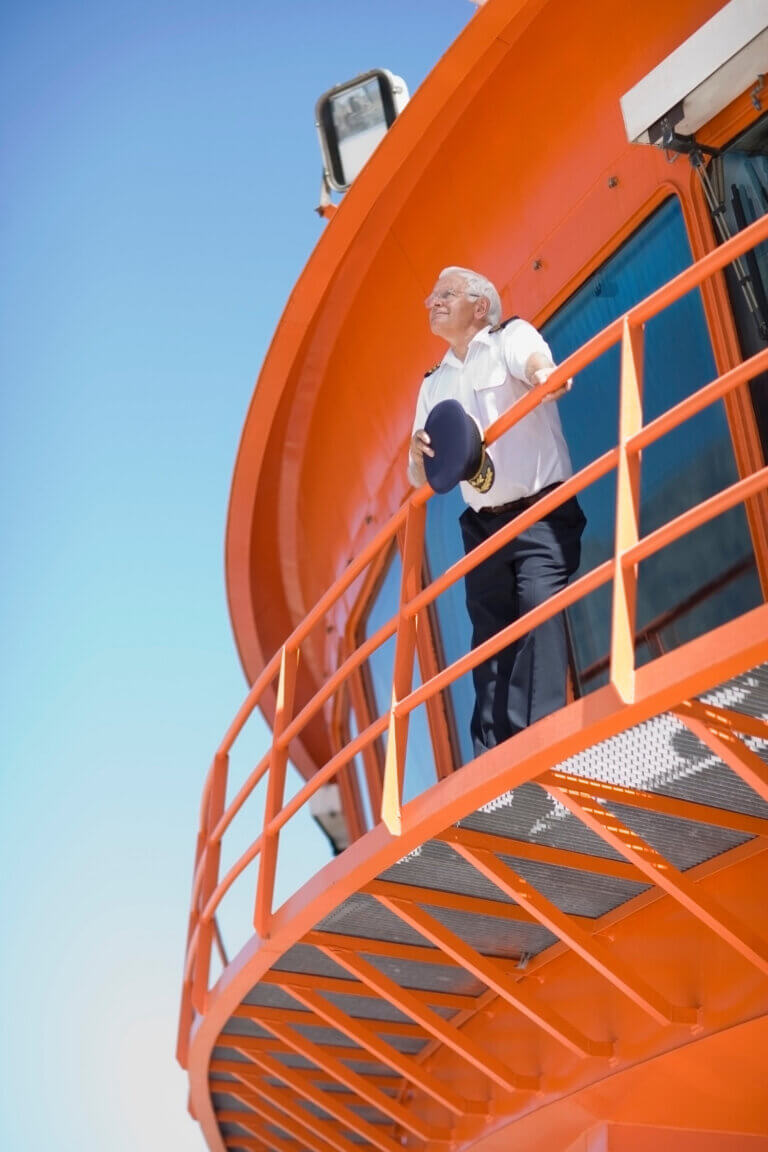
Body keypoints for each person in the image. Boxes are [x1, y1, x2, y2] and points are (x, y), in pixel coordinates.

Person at [409, 266, 586, 756]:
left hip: (540, 510)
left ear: (479, 306)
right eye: (432, 296)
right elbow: (418, 476)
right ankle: (492, 758)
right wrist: (415, 452)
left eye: (446, 294)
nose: (433, 302)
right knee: (488, 637)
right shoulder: (433, 384)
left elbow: (535, 365)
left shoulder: (510, 336)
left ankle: (540, 745)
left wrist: (543, 377)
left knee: (537, 612)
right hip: (482, 526)